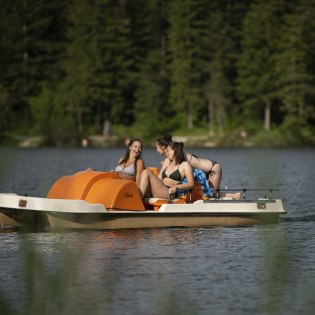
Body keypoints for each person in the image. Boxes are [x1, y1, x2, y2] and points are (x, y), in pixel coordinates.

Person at [155, 134, 240, 200]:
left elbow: (183, 168)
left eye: (157, 148)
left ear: (163, 147)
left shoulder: (179, 155)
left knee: (212, 194)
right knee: (209, 193)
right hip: (204, 168)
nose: (156, 150)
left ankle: (234, 196)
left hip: (212, 168)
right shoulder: (173, 157)